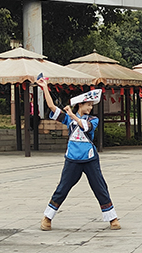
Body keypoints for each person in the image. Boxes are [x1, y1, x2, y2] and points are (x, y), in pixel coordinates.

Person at [37, 79, 118, 231]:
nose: (90, 107)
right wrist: (45, 88)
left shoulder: (93, 119)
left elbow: (85, 126)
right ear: (81, 104)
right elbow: (51, 107)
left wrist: (72, 115)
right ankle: (47, 217)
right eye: (89, 105)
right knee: (63, 188)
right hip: (72, 159)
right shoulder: (68, 118)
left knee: (100, 187)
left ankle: (112, 217)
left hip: (89, 158)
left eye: (91, 105)